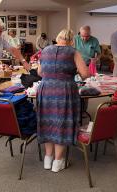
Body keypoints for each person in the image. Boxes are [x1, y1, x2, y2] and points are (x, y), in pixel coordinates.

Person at [37, 29, 90, 173]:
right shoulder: (73, 52)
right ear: (72, 41)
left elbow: (40, 73)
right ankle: (58, 161)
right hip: (64, 90)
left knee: (47, 122)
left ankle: (48, 159)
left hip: (45, 89)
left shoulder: (46, 50)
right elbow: (85, 74)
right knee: (62, 123)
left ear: (57, 38)